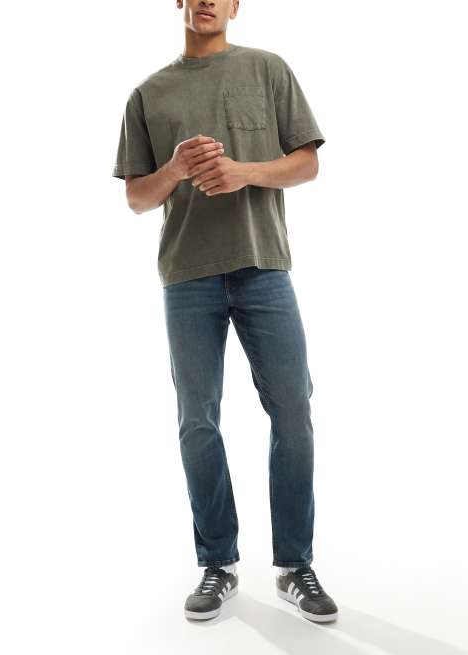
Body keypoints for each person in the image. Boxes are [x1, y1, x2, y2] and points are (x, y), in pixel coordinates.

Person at [112, 0, 339, 623]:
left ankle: (294, 564)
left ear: (235, 5)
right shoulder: (148, 93)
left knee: (292, 410)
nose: (208, 1)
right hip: (188, 276)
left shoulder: (268, 69)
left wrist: (243, 172)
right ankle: (218, 562)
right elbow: (136, 198)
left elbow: (308, 162)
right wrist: (174, 169)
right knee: (197, 420)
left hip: (264, 268)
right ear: (179, 3)